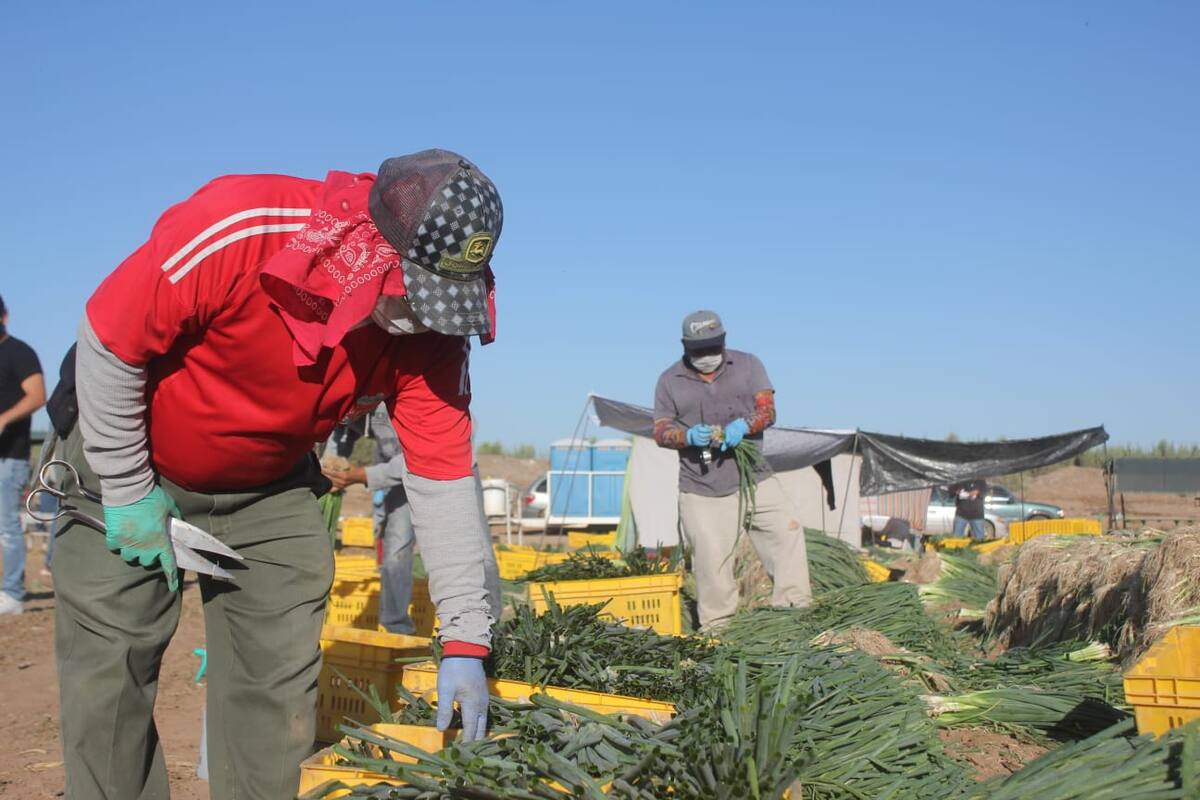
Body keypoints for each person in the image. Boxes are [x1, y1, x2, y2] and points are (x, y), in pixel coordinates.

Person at [55, 150, 503, 800]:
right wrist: (127, 490)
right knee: (109, 682)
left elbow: (440, 478)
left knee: (273, 694)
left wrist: (465, 637)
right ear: (374, 246)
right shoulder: (247, 225)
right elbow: (108, 339)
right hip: (129, 458)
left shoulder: (432, 333)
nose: (426, 319)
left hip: (268, 485)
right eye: (418, 295)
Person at [653, 310, 812, 630]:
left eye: (713, 348)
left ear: (723, 342)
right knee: (712, 563)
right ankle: (718, 631)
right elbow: (660, 430)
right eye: (699, 351)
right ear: (685, 347)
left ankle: (796, 615)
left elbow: (768, 411)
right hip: (703, 487)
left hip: (755, 476)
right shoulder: (670, 380)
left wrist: (745, 425)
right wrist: (687, 437)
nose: (707, 357)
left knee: (787, 533)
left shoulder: (748, 365)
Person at [324, 405, 419, 634]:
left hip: (446, 466)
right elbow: (340, 433)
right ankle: (396, 631)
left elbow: (415, 458)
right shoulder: (350, 400)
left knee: (478, 552)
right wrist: (330, 465)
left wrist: (362, 475)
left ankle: (487, 631)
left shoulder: (394, 401)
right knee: (396, 549)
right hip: (394, 470)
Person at [0, 294, 46, 616]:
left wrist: (3, 419)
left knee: (7, 526)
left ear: (4, 315)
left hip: (10, 457)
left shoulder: (20, 353)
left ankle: (12, 594)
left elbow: (38, 395)